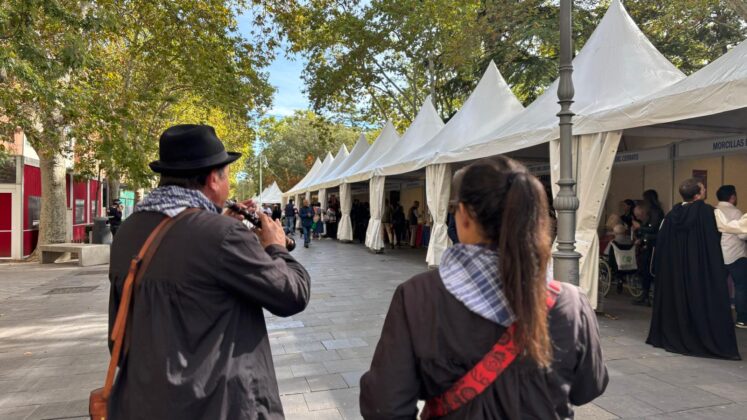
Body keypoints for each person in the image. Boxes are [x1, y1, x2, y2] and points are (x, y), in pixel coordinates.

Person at [360, 157, 608, 418]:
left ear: (465, 215)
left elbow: (385, 405)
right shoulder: (571, 302)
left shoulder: (418, 296)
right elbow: (588, 387)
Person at [107, 124, 311, 419]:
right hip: (216, 405)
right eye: (227, 176)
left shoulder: (128, 231)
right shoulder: (222, 235)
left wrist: (219, 223)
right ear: (213, 179)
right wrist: (276, 246)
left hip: (143, 400)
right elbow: (293, 294)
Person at [646, 178, 740, 360]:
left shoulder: (672, 215)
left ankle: (677, 333)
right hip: (700, 270)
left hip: (676, 272)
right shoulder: (708, 213)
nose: (705, 190)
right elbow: (724, 232)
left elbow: (662, 243)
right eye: (703, 189)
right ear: (697, 195)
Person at [716, 185, 747, 329]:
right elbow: (742, 235)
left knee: (718, 286)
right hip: (736, 255)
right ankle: (741, 319)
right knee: (741, 287)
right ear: (732, 197)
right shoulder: (736, 212)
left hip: (718, 256)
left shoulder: (713, 211)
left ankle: (718, 316)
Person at [631, 202, 657, 306]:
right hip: (646, 249)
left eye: (638, 215)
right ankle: (645, 295)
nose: (637, 218)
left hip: (651, 249)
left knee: (647, 271)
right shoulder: (647, 220)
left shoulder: (650, 221)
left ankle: (646, 295)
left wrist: (640, 229)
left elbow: (653, 232)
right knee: (645, 271)